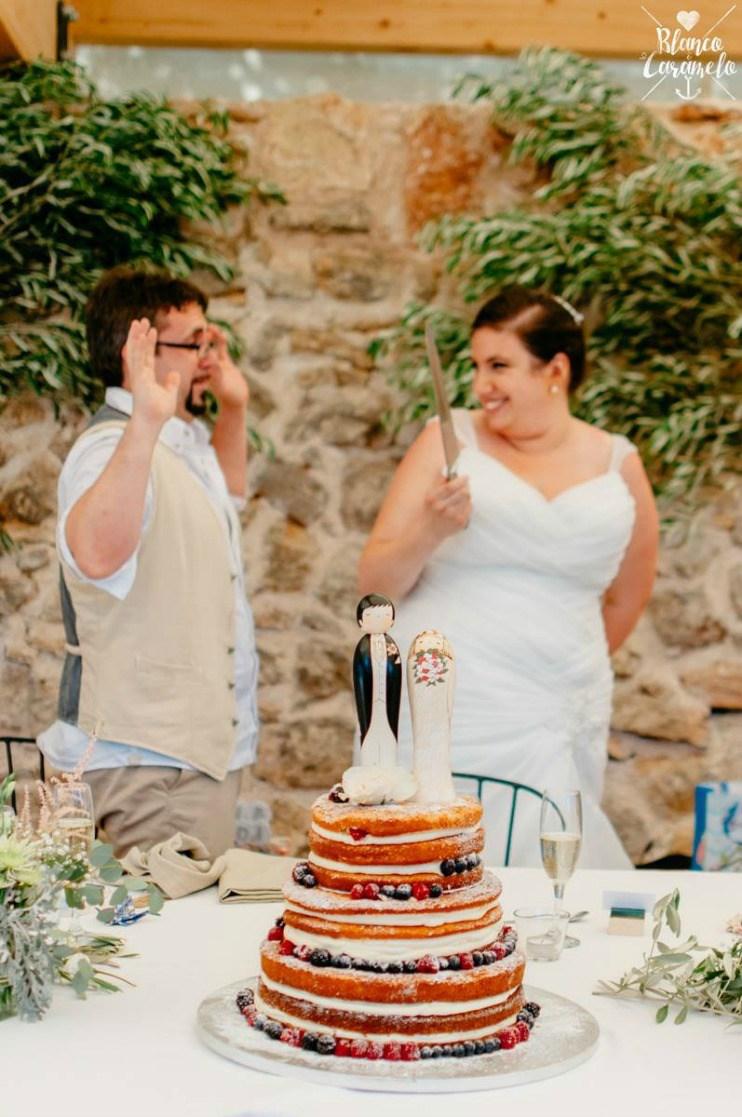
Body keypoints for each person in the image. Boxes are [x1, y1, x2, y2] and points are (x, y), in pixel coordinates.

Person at [358, 286, 659, 868]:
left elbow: (626, 598)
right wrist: (430, 528)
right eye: (474, 366)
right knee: (442, 866)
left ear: (556, 370)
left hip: (562, 699)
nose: (480, 386)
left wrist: (562, 663)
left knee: (553, 869)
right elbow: (374, 585)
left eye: (499, 366)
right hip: (453, 700)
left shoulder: (618, 463)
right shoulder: (449, 442)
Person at [39, 267, 259, 858]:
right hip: (149, 767)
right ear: (137, 349)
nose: (209, 359)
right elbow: (95, 556)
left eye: (212, 342)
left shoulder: (180, 441)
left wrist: (232, 409)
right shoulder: (112, 445)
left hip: (190, 760)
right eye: (196, 343)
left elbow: (224, 502)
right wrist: (144, 418)